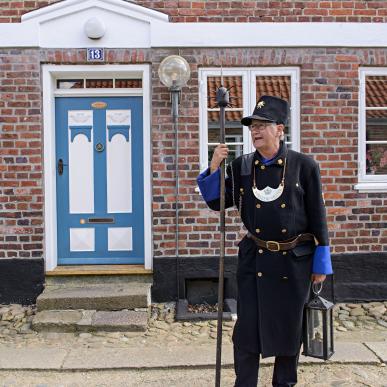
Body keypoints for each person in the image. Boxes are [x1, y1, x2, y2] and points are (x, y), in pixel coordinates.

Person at [196, 95, 333, 387]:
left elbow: (318, 215)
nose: (256, 131)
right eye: (252, 126)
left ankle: (284, 383)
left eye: (263, 125)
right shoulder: (242, 166)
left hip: (294, 262)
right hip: (254, 259)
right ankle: (245, 383)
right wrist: (214, 167)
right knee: (247, 329)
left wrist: (321, 262)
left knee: (289, 327)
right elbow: (217, 202)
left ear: (280, 129)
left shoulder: (303, 166)